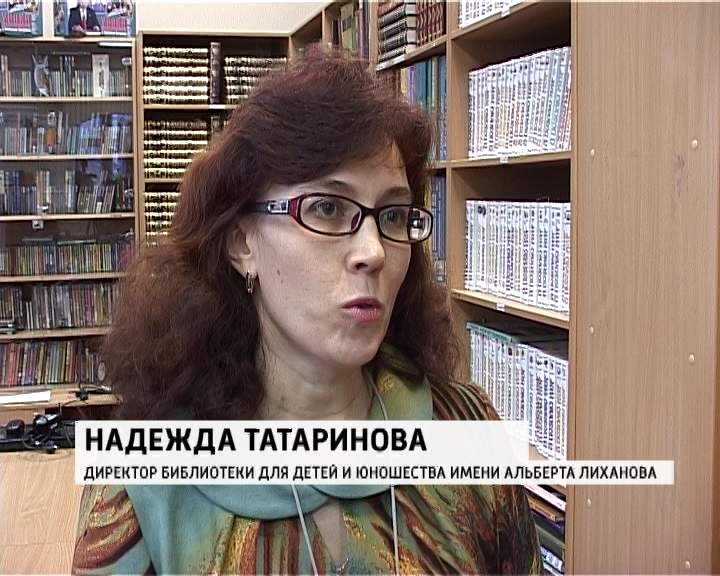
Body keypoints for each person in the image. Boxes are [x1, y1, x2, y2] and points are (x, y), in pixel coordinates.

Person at [71, 48, 541, 575]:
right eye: (327, 208)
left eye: (392, 215)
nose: (374, 251)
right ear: (242, 243)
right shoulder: (144, 481)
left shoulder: (468, 431)